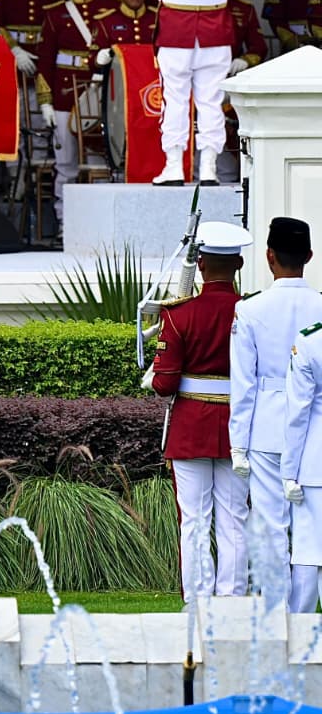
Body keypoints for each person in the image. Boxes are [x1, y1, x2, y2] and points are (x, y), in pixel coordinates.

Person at [73, 0, 299, 186]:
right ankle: (208, 169)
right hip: (215, 36)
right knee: (210, 102)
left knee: (174, 102)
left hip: (176, 37)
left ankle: (174, 167)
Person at [150, 221, 253, 602]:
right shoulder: (250, 312)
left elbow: (164, 384)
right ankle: (232, 600)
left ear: (202, 266)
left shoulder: (180, 314)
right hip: (239, 426)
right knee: (235, 519)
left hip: (191, 423)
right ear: (239, 264)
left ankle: (197, 601)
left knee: (194, 520)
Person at [229, 218, 322, 613]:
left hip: (267, 427)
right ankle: (301, 620)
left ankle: (275, 619)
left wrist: (238, 442)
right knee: (309, 535)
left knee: (271, 528)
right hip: (314, 430)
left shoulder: (250, 309)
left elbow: (243, 384)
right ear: (309, 257)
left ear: (269, 257)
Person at [36, 0, 115, 225]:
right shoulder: (55, 13)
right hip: (64, 94)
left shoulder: (110, 6)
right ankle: (63, 222)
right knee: (66, 163)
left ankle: (101, 222)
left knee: (100, 161)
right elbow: (44, 60)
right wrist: (44, 100)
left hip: (101, 93)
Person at [284, 299, 322, 611]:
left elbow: (298, 413)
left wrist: (288, 472)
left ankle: (300, 638)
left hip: (315, 462)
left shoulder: (311, 341)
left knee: (309, 552)